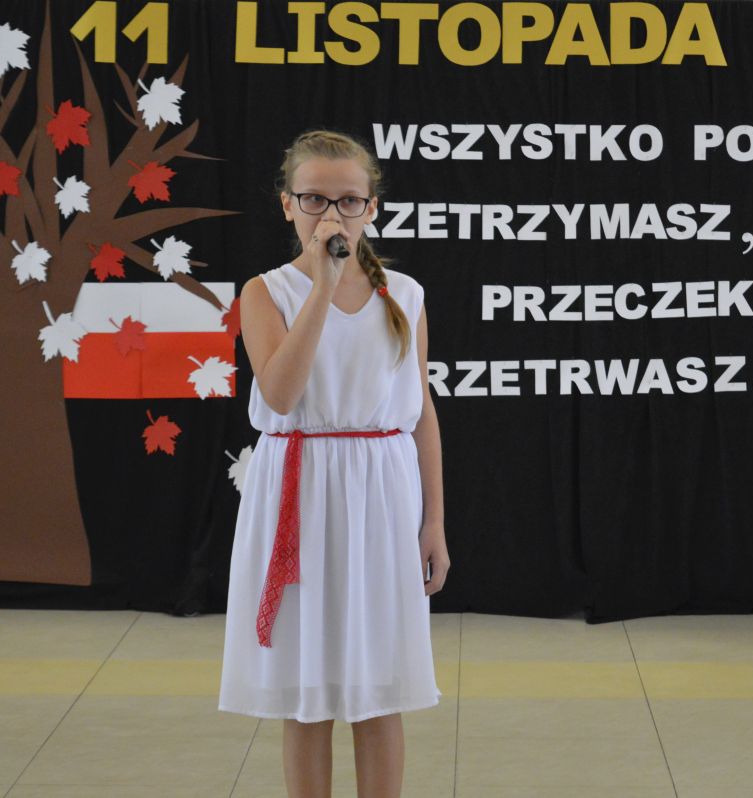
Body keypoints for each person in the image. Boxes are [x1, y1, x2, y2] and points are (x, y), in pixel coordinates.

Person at [219, 129, 450, 798]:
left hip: (381, 492)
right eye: (314, 199)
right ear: (287, 205)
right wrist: (321, 286)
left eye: (349, 200)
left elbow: (421, 412)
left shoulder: (404, 294)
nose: (332, 215)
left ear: (371, 207)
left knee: (380, 690)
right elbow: (281, 393)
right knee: (307, 691)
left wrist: (434, 522)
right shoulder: (266, 292)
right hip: (299, 489)